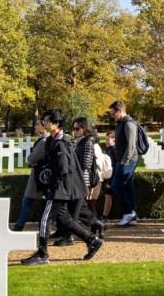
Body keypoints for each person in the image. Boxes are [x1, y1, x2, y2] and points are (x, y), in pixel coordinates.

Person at [21, 109, 103, 266]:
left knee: (44, 218)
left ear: (56, 124)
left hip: (60, 188)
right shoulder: (53, 140)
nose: (44, 123)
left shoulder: (61, 143)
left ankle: (42, 254)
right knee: (65, 219)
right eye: (43, 121)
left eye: (46, 121)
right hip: (60, 187)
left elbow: (63, 170)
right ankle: (92, 240)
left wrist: (51, 187)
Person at [52, 117, 106, 246]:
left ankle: (68, 237)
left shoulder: (87, 142)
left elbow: (85, 163)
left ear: (85, 129)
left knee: (73, 210)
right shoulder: (80, 141)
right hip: (76, 179)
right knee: (80, 209)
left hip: (80, 180)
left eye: (78, 129)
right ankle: (97, 224)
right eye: (74, 128)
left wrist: (73, 172)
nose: (75, 131)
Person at [13, 117, 48, 231]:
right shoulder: (42, 140)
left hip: (39, 177)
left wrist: (31, 160)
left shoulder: (43, 141)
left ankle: (20, 226)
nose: (35, 126)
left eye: (37, 124)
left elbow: (31, 159)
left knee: (27, 201)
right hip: (39, 175)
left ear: (44, 126)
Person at [109, 100, 141, 226]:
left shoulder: (128, 123)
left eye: (113, 113)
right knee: (127, 188)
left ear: (120, 110)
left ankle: (129, 213)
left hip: (127, 161)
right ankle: (131, 215)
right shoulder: (122, 123)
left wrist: (124, 162)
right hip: (123, 160)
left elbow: (131, 145)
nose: (112, 116)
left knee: (116, 185)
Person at [100, 130, 118, 222]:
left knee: (108, 196)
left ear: (114, 140)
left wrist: (110, 182)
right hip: (113, 178)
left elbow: (113, 167)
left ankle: (105, 216)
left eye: (108, 140)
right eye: (106, 139)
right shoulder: (112, 150)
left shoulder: (112, 151)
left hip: (112, 178)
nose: (106, 141)